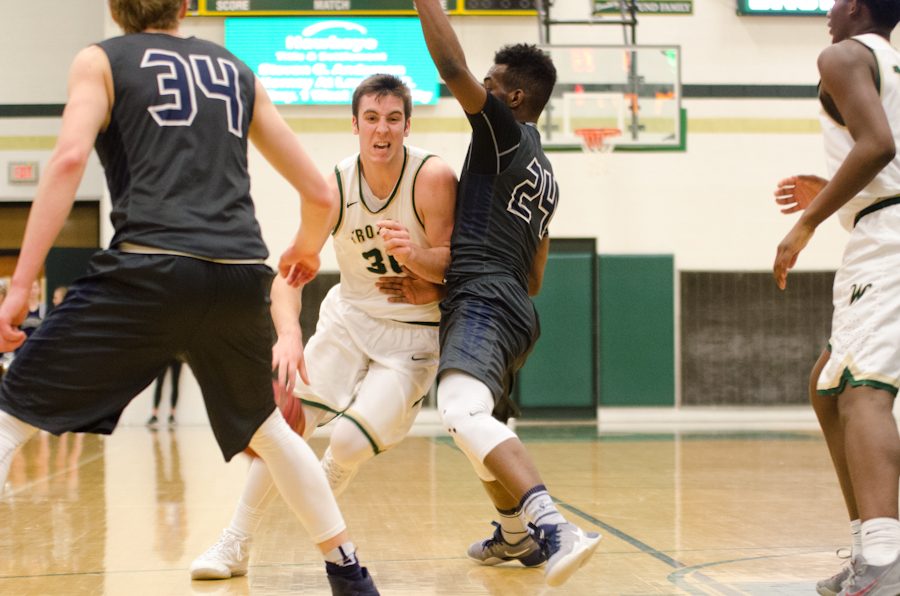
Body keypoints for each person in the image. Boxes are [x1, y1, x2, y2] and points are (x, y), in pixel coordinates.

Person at [0, 1, 378, 594]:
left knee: (8, 418)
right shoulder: (235, 70)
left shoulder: (100, 59)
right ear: (183, 5)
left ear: (114, 7)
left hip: (148, 268)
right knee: (270, 432)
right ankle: (349, 571)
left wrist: (21, 285)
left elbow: (70, 157)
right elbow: (317, 191)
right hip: (235, 274)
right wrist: (305, 251)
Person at [189, 73, 457, 580]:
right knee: (284, 426)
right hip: (348, 320)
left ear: (407, 124)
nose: (383, 131)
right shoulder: (332, 187)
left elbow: (455, 264)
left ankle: (322, 487)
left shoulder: (433, 177)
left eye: (394, 119)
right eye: (372, 119)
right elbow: (290, 274)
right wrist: (289, 335)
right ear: (354, 124)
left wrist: (417, 257)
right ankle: (235, 543)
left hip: (413, 334)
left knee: (350, 444)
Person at [413, 1, 601, 588]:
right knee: (484, 427)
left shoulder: (502, 134)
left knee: (460, 413)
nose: (481, 91)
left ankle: (554, 526)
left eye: (491, 85)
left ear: (513, 99)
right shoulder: (545, 171)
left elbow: (448, 65)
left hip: (484, 300)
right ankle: (513, 535)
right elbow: (537, 277)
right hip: (519, 308)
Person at [772, 1, 900, 594]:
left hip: (887, 241)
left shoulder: (842, 55)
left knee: (861, 390)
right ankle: (866, 548)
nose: (827, 11)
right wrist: (835, 191)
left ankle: (885, 555)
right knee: (828, 385)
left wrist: (809, 222)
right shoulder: (891, 63)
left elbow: (878, 145)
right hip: (881, 227)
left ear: (856, 5)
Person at [147, 358, 183, 429]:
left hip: (176, 356)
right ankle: (154, 415)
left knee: (175, 383)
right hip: (164, 354)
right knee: (159, 383)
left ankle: (172, 415)